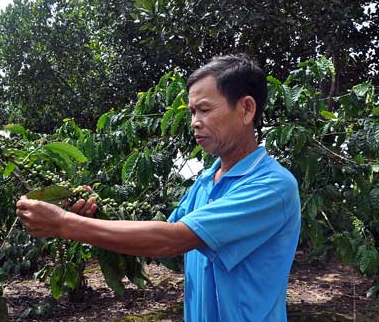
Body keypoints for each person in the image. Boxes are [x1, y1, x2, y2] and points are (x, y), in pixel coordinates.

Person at [16, 54, 301, 321]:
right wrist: (96, 215)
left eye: (204, 110)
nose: (194, 123)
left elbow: (171, 240)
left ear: (246, 108)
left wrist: (65, 224)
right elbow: (159, 234)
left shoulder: (272, 186)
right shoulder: (205, 180)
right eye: (191, 112)